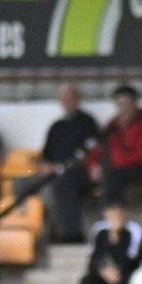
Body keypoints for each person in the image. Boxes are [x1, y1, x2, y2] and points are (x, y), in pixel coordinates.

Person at [40, 85, 102, 244]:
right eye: (63, 99)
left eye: (70, 98)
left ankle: (71, 234)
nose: (67, 102)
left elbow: (92, 149)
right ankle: (43, 236)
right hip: (55, 172)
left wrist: (67, 165)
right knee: (25, 183)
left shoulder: (87, 122)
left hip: (80, 173)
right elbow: (46, 153)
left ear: (77, 99)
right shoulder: (57, 126)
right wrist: (46, 164)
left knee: (65, 182)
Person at [95, 86, 142, 204]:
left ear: (135, 103)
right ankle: (111, 218)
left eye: (127, 103)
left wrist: (114, 161)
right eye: (120, 104)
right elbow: (100, 147)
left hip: (141, 169)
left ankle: (116, 216)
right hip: (117, 168)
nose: (124, 108)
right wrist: (94, 165)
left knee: (111, 175)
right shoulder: (113, 124)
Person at [77, 201, 142, 284]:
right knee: (86, 281)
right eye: (112, 212)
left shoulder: (132, 231)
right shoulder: (100, 231)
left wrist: (116, 238)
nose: (115, 215)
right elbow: (95, 256)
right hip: (105, 272)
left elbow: (131, 258)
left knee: (127, 281)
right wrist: (103, 270)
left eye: (118, 212)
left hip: (123, 272)